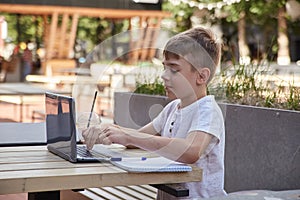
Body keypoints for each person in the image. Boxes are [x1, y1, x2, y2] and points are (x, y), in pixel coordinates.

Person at [83, 27, 226, 199]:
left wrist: (129, 137)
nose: (164, 76)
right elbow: (138, 139)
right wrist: (109, 130)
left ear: (201, 77)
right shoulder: (173, 109)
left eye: (174, 69)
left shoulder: (207, 110)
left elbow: (190, 150)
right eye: (164, 68)